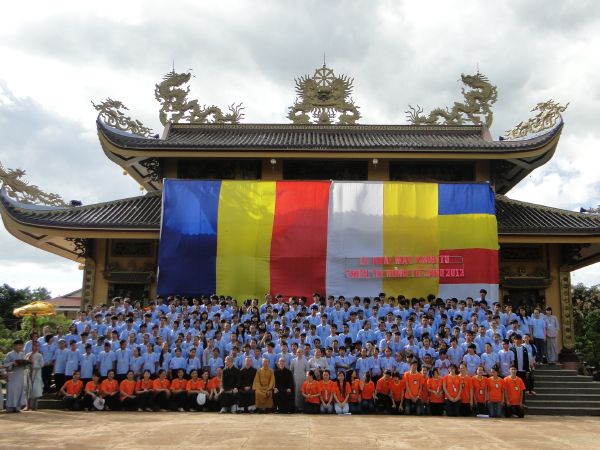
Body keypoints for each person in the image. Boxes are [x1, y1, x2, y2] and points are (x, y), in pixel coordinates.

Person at [3, 339, 28, 412]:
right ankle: (9, 408)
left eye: (21, 345)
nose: (20, 346)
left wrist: (26, 364)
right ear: (14, 346)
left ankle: (17, 407)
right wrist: (12, 363)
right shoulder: (9, 354)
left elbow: (25, 365)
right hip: (12, 375)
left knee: (19, 391)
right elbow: (5, 364)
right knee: (12, 391)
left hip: (20, 374)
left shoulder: (22, 354)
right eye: (18, 345)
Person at [24, 340, 44, 411]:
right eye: (34, 345)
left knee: (36, 390)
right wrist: (28, 364)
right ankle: (27, 406)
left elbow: (42, 364)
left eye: (37, 346)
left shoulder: (39, 355)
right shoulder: (27, 355)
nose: (35, 347)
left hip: (36, 374)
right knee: (27, 390)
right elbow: (24, 364)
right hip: (28, 374)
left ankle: (34, 406)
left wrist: (33, 364)